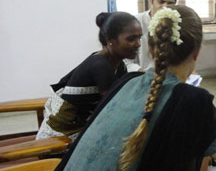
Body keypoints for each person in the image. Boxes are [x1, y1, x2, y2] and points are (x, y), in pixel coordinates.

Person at [17, 6, 216, 171]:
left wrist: (207, 148)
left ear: (151, 47)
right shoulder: (193, 100)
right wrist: (203, 148)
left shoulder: (126, 83)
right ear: (197, 52)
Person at [36, 11, 142, 140]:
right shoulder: (100, 65)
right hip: (62, 138)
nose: (138, 44)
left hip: (81, 131)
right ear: (110, 40)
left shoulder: (119, 65)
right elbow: (113, 109)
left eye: (139, 37)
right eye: (131, 39)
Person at [126, 0, 181, 72]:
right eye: (161, 1)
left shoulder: (178, 23)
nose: (165, 7)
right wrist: (140, 71)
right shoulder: (135, 23)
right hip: (141, 76)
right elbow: (126, 61)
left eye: (170, 3)